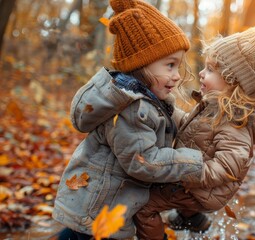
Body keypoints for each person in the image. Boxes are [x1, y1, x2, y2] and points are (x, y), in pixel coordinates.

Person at [68, 10, 255, 240]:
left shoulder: (236, 122)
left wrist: (193, 171)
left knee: (145, 206)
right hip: (198, 179)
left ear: (232, 81)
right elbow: (188, 126)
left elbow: (227, 168)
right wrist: (168, 110)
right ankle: (192, 218)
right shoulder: (215, 106)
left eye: (210, 70)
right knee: (173, 175)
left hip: (205, 188)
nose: (201, 72)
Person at [52, 0, 206, 239]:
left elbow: (178, 121)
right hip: (97, 214)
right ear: (141, 64)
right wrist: (196, 162)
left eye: (178, 66)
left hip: (110, 210)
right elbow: (143, 162)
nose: (176, 76)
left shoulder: (151, 102)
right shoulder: (132, 110)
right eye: (170, 65)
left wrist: (203, 126)